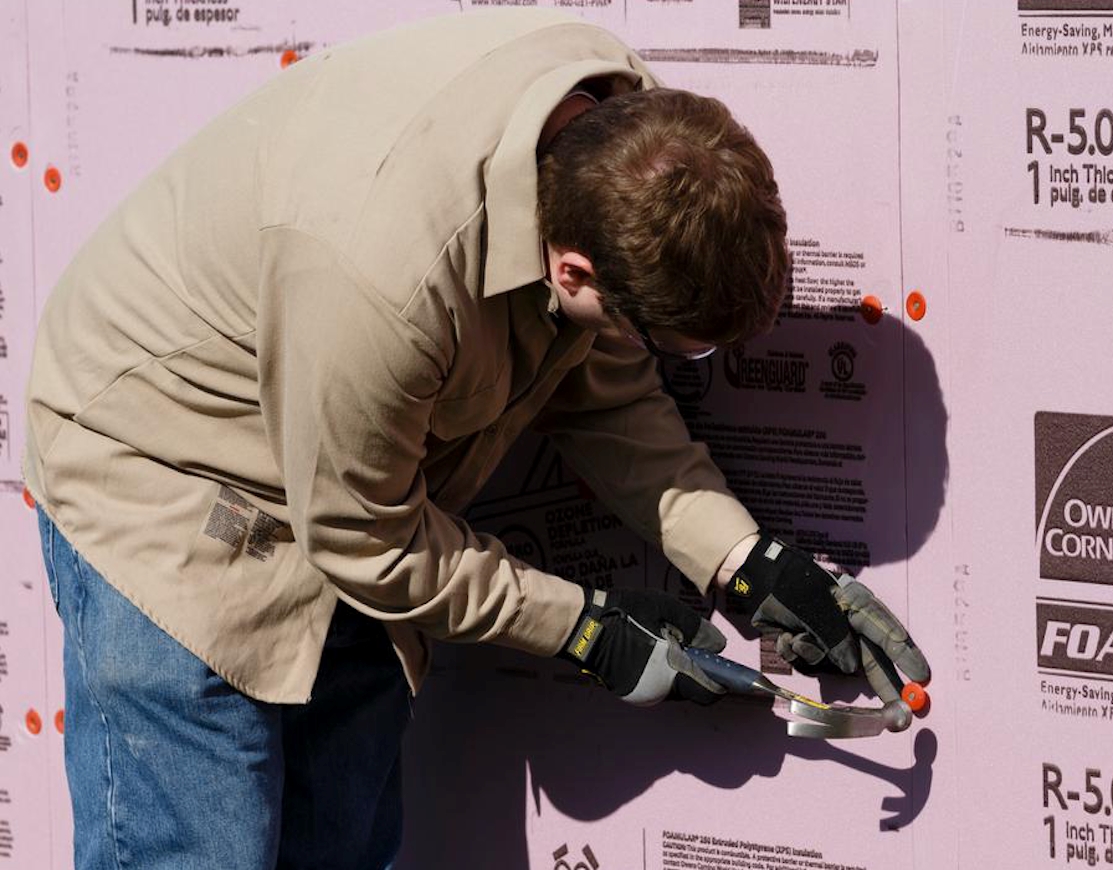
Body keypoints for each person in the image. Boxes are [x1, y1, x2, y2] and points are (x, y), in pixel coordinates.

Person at [24, 8, 928, 869]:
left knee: (339, 850)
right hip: (167, 472)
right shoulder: (379, 281)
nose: (655, 361)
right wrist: (584, 630)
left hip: (348, 468)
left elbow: (603, 389)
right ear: (571, 268)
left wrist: (746, 562)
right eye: (659, 340)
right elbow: (364, 539)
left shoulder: (631, 141)